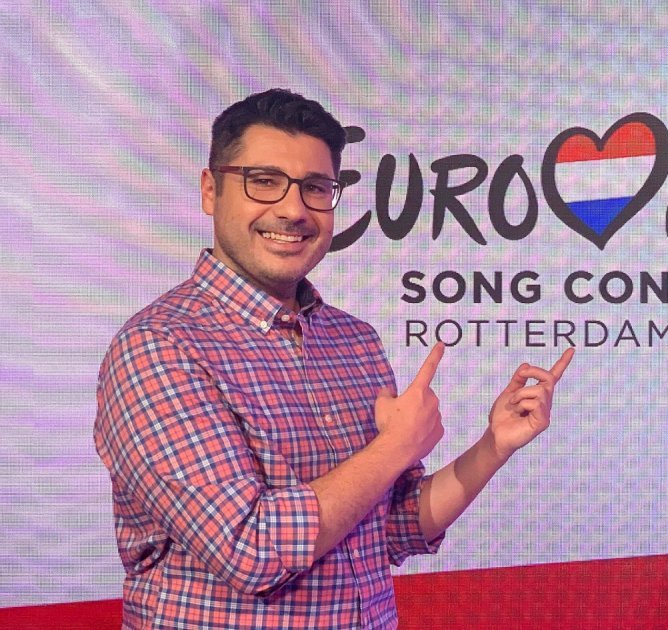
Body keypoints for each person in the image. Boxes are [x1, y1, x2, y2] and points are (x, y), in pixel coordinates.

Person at [94, 88, 574, 629]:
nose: (293, 210)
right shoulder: (159, 347)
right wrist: (397, 446)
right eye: (264, 181)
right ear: (211, 190)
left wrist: (493, 445)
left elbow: (392, 529)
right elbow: (249, 550)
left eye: (316, 188)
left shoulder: (353, 340)